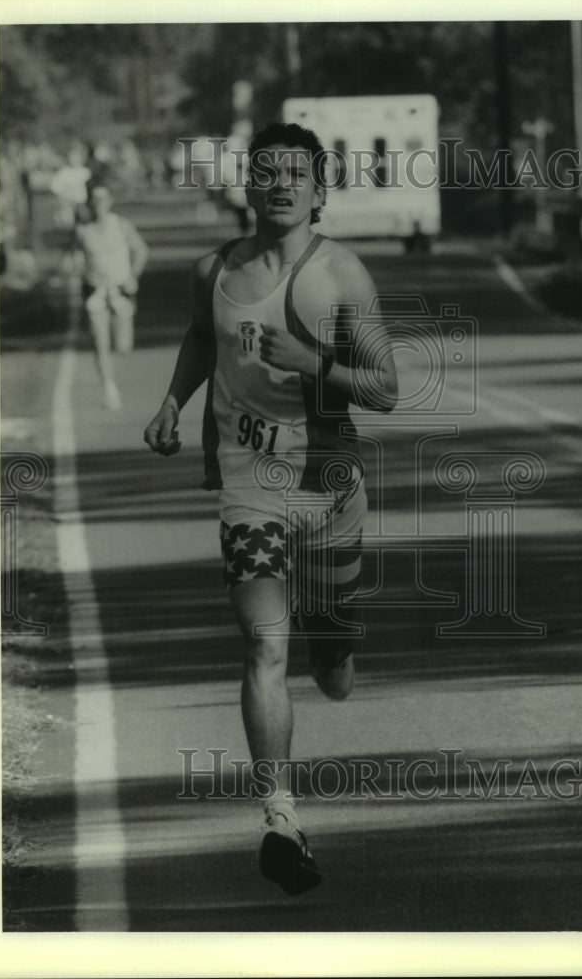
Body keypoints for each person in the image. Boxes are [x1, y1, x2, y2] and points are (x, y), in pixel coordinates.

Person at [143, 123, 398, 895]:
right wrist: (172, 402)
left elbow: (387, 388)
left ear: (320, 192)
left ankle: (336, 644)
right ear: (246, 187)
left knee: (332, 667)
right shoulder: (212, 268)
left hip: (328, 487)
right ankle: (281, 817)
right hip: (249, 488)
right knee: (263, 644)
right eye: (266, 173)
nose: (279, 184)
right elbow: (200, 336)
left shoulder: (342, 276)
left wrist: (312, 361)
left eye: (296, 174)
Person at [75, 180, 148, 409]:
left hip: (121, 291)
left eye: (103, 200)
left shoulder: (122, 225)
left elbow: (141, 250)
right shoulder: (83, 231)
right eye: (94, 201)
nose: (98, 205)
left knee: (123, 346)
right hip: (95, 291)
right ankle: (109, 387)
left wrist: (133, 275)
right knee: (100, 342)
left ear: (110, 202)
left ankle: (111, 378)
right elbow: (75, 259)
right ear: (90, 203)